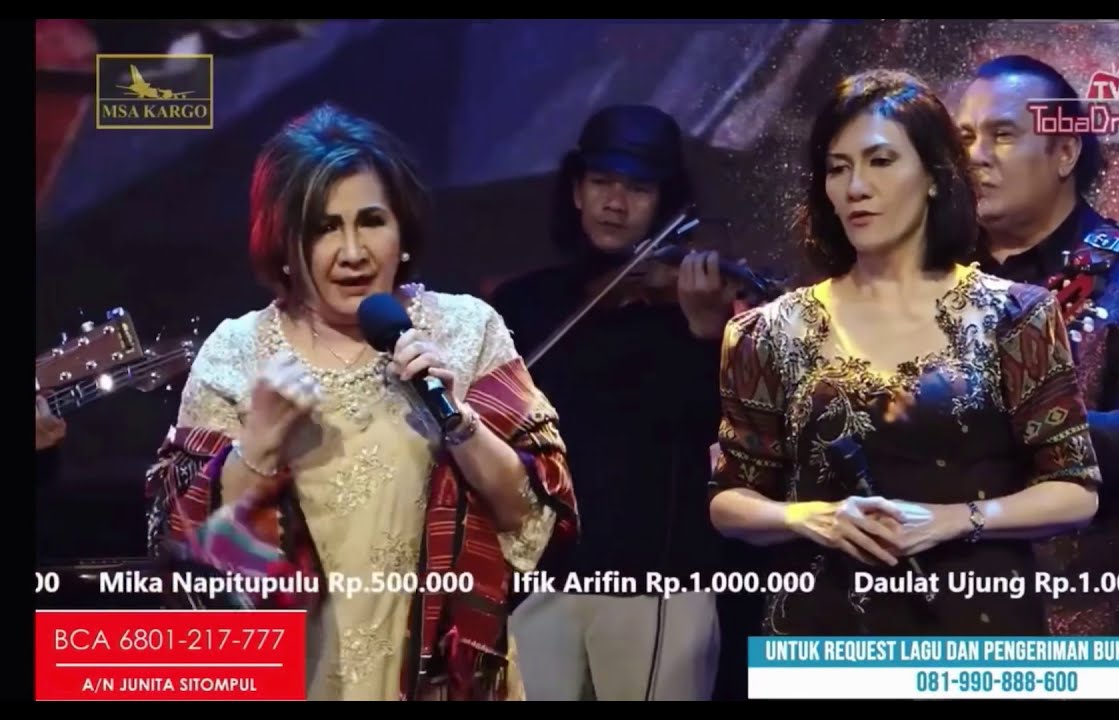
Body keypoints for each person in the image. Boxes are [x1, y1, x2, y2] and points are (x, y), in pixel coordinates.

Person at [143, 102, 579, 701]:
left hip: (440, 679)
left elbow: (534, 515)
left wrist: (461, 422)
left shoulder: (464, 330)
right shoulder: (238, 352)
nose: (353, 251)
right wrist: (257, 449)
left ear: (402, 232)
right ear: (284, 244)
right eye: (325, 228)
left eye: (371, 221)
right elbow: (188, 552)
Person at [708, 69, 1101, 637]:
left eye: (880, 161)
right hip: (822, 634)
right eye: (837, 168)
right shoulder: (767, 331)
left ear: (935, 177)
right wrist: (809, 517)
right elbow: (730, 501)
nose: (856, 187)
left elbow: (1074, 491)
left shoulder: (1016, 316)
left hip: (976, 628)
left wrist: (951, 520)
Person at [955, 55, 1119, 635]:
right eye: (965, 137)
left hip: (1079, 618)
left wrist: (1008, 415)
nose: (975, 156)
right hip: (930, 612)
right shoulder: (921, 272)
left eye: (1002, 135)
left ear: (1065, 152)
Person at [490, 104, 735, 700]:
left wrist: (706, 338)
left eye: (639, 189)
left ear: (666, 203)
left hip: (655, 585)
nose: (615, 204)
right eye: (601, 182)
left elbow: (725, 436)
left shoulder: (692, 311)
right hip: (541, 581)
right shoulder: (524, 304)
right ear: (577, 191)